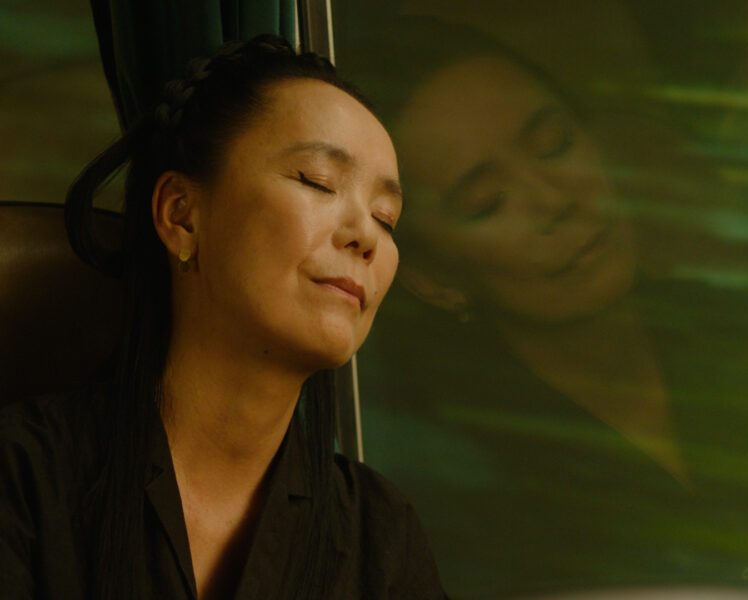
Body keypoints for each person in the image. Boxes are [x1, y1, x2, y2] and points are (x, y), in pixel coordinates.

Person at [0, 34, 446, 600]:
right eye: (317, 181)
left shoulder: (379, 536)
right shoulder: (22, 478)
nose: (366, 236)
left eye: (386, 218)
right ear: (181, 215)